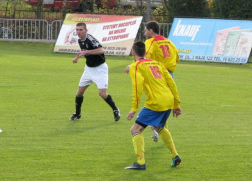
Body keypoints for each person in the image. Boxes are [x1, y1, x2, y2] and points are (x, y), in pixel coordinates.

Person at [125, 41, 182, 170]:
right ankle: (175, 155)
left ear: (133, 52)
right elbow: (171, 83)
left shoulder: (136, 66)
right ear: (145, 52)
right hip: (168, 100)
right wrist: (176, 104)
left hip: (155, 102)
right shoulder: (157, 63)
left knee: (135, 130)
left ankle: (140, 162)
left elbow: (137, 87)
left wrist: (134, 108)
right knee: (158, 126)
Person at [125, 21, 179, 142]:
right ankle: (161, 129)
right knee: (165, 104)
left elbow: (144, 55)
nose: (145, 33)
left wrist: (133, 65)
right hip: (169, 74)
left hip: (156, 73)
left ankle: (155, 127)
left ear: (151, 31)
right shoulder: (169, 42)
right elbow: (177, 56)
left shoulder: (150, 42)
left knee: (154, 101)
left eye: (145, 31)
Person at [70, 22, 120, 122]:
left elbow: (101, 50)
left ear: (86, 30)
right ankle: (77, 114)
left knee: (102, 93)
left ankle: (115, 109)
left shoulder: (90, 39)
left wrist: (87, 52)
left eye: (81, 30)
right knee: (79, 92)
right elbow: (83, 51)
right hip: (88, 69)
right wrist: (77, 58)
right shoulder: (80, 40)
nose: (78, 32)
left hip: (100, 69)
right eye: (77, 30)